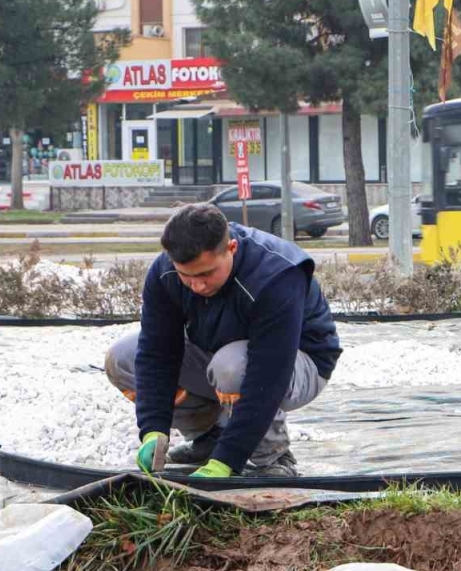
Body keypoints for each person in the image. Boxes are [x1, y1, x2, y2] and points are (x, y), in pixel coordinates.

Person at [105, 204, 342, 478]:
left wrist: (228, 461)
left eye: (206, 274)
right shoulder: (164, 273)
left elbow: (270, 373)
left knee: (232, 366)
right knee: (123, 358)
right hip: (219, 355)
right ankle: (209, 439)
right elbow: (157, 353)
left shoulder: (276, 276)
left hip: (299, 364)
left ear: (231, 248)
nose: (197, 286)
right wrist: (152, 429)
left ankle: (273, 458)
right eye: (187, 276)